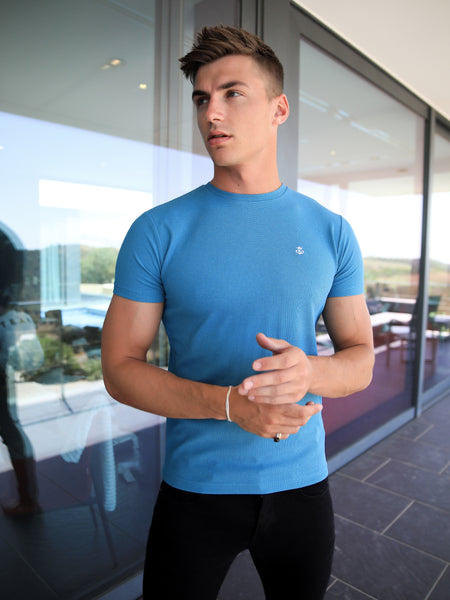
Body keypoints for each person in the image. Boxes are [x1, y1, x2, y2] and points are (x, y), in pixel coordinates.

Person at [101, 25, 374, 600]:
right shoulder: (158, 230)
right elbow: (119, 370)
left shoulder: (331, 231)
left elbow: (360, 360)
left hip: (302, 485)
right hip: (195, 490)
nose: (212, 113)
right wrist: (230, 405)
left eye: (233, 94)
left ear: (279, 109)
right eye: (202, 98)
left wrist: (310, 371)